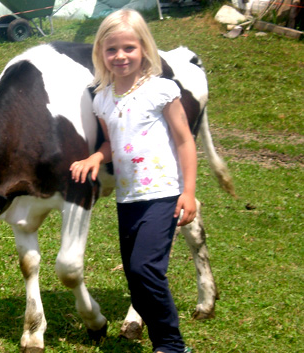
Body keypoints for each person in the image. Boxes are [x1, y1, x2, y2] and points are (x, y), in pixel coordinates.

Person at [70, 9, 197, 353]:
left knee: (145, 269)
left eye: (129, 48)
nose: (120, 56)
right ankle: (163, 338)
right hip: (128, 199)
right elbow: (114, 142)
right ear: (101, 53)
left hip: (164, 193)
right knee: (134, 274)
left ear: (144, 48)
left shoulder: (162, 90)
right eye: (112, 50)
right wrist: (96, 157)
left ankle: (171, 344)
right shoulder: (103, 98)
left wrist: (189, 192)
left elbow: (185, 140)